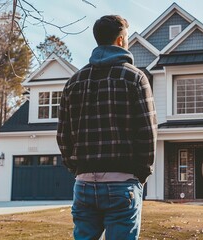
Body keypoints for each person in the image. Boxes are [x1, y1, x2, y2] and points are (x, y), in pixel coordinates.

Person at [57, 15, 157, 240]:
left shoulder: (73, 82)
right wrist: (141, 174)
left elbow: (63, 136)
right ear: (121, 41)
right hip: (122, 184)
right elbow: (148, 133)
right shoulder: (135, 79)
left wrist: (79, 169)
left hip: (83, 185)